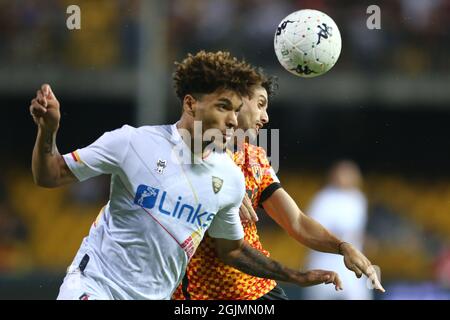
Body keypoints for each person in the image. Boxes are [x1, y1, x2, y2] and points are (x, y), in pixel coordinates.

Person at [29, 51, 342, 300]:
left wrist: (296, 276)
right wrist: (49, 131)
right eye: (223, 107)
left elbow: (231, 249)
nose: (233, 120)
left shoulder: (229, 178)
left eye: (235, 110)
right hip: (96, 287)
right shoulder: (132, 142)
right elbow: (51, 175)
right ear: (191, 103)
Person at [173, 70, 384, 300]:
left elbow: (297, 222)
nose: (265, 118)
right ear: (236, 101)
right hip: (202, 294)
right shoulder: (192, 154)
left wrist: (343, 247)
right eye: (260, 105)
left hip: (258, 290)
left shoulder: (255, 158)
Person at [303, 160, 373, 300]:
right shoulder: (323, 198)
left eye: (350, 174)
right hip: (325, 260)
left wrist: (362, 239)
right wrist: (346, 236)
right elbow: (312, 228)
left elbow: (357, 230)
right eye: (343, 173)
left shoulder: (358, 199)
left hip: (352, 264)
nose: (346, 177)